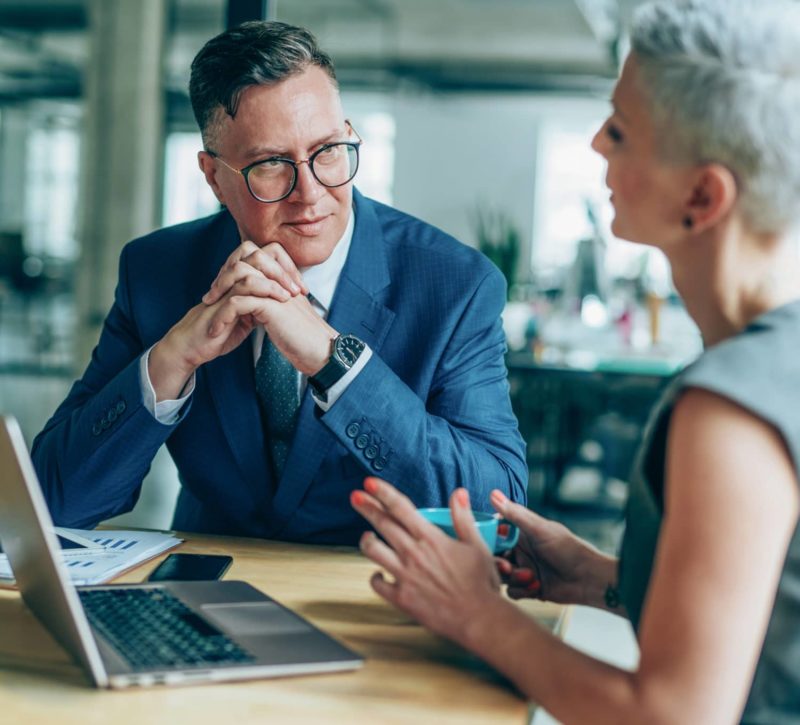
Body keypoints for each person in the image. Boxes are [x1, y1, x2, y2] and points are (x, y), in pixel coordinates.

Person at [352, 0, 800, 720]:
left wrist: (478, 614)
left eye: (620, 130)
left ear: (703, 196)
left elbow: (670, 713)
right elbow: (773, 617)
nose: (595, 143)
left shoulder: (732, 408)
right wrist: (598, 578)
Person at [31, 21, 527, 545]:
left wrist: (334, 362)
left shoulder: (456, 286)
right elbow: (52, 503)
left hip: (374, 594)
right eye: (271, 163)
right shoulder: (158, 272)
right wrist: (171, 359)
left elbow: (499, 509)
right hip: (204, 598)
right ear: (213, 176)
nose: (310, 193)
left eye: (329, 150)